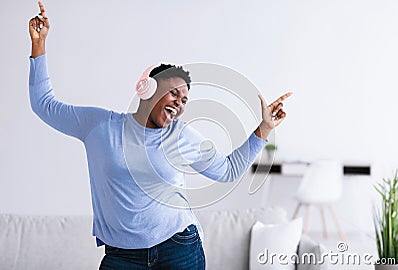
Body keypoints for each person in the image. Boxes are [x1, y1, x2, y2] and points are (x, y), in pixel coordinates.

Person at [28, 2, 291, 269]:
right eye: (173, 93)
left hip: (178, 249)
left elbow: (227, 170)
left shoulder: (181, 136)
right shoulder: (99, 125)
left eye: (185, 100)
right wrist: (39, 45)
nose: (179, 103)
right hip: (121, 256)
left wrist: (265, 128)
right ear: (147, 88)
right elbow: (44, 105)